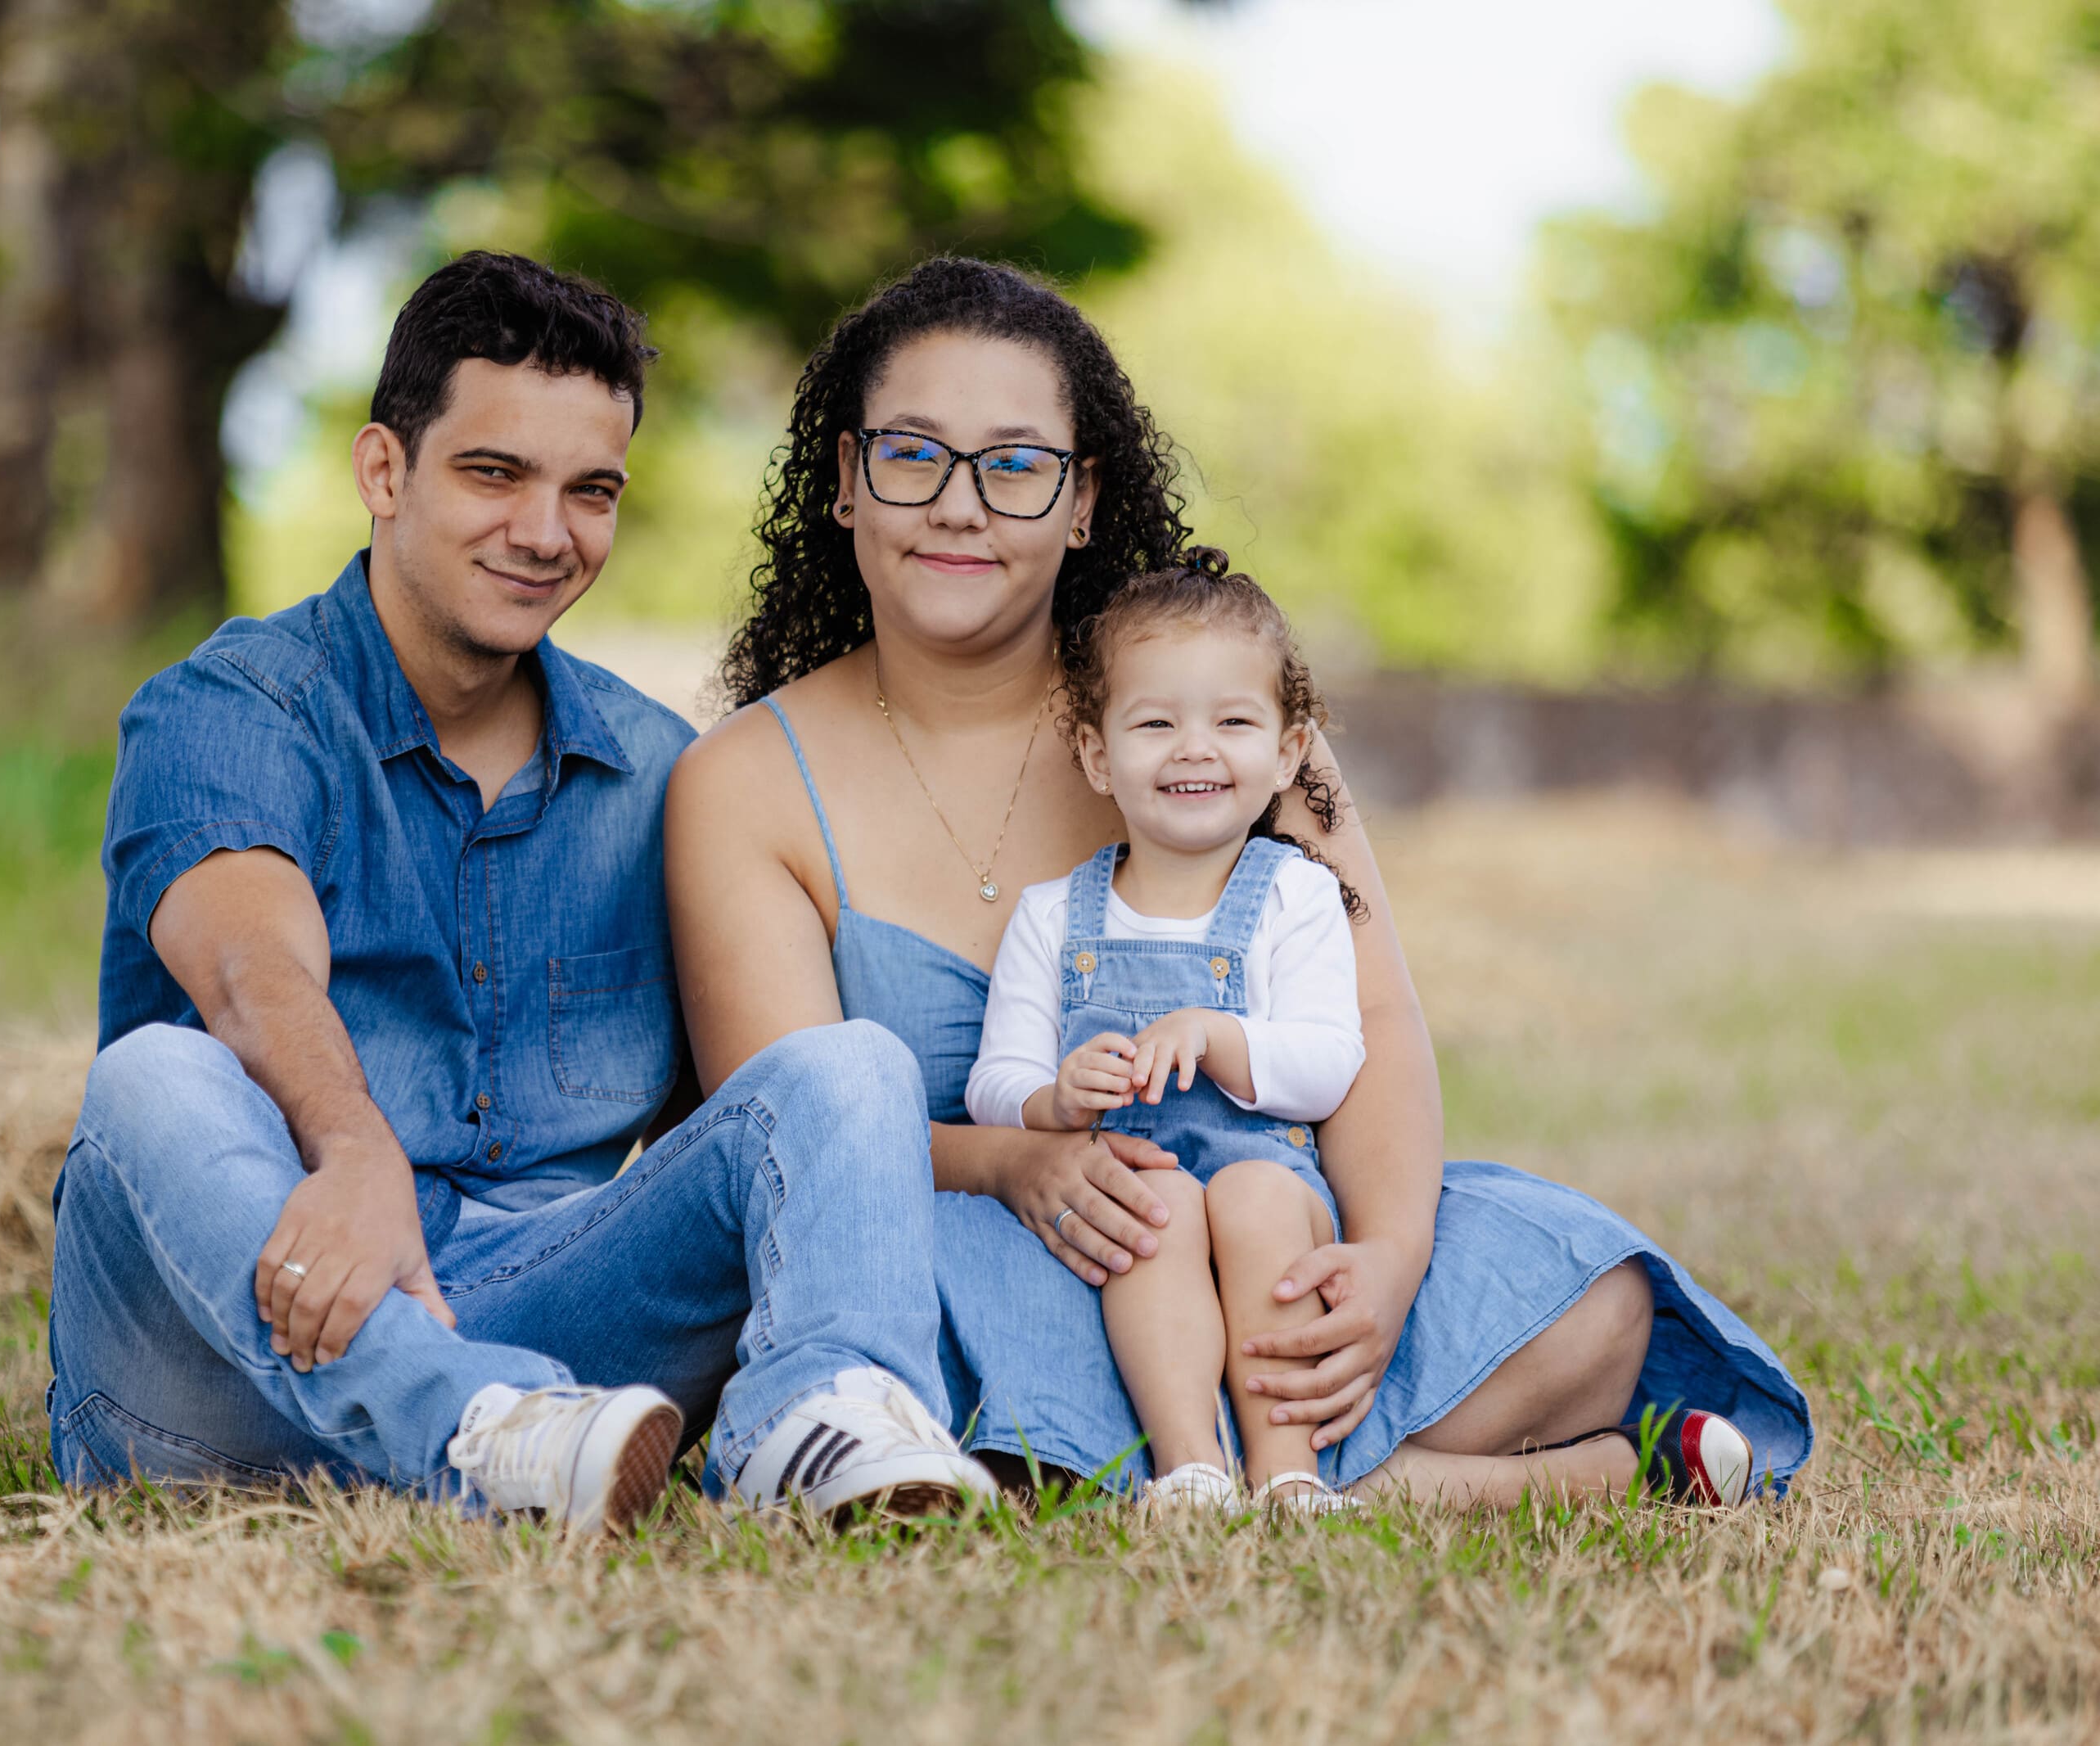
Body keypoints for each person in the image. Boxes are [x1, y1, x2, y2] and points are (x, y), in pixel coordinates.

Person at [663, 256, 1811, 1511]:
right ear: (842, 481)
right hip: (965, 1248)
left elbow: (1369, 1021)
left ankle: (1227, 1461)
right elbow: (779, 1134)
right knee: (919, 1353)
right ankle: (1460, 1480)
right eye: (910, 455)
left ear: (1082, 498)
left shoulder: (1227, 734)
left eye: (1013, 464)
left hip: (1262, 1227)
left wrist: (1378, 1264)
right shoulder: (740, 780)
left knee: (1597, 1305)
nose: (958, 505)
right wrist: (1011, 1166)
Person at [47, 250, 998, 1532]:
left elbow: (745, 1127)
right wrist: (353, 1148)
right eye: (493, 474)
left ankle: (821, 1422)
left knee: (847, 1066)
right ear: (384, 472)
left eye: (588, 491)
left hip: (556, 1343)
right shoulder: (232, 705)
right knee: (155, 1079)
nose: (545, 532)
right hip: (233, 1353)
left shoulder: (660, 771)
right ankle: (467, 1424)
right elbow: (246, 965)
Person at [966, 549, 1368, 1515]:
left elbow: (1327, 1064)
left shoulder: (1296, 897)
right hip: (1133, 1195)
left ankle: (1287, 1473)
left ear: (1286, 749)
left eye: (1233, 721)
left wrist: (1220, 1037)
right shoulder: (1055, 914)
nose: (1194, 748)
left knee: (1253, 1197)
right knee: (1155, 1209)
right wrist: (1053, 1098)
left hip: (1271, 1187)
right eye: (1155, 723)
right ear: (1098, 754)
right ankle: (1191, 1467)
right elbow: (993, 1082)